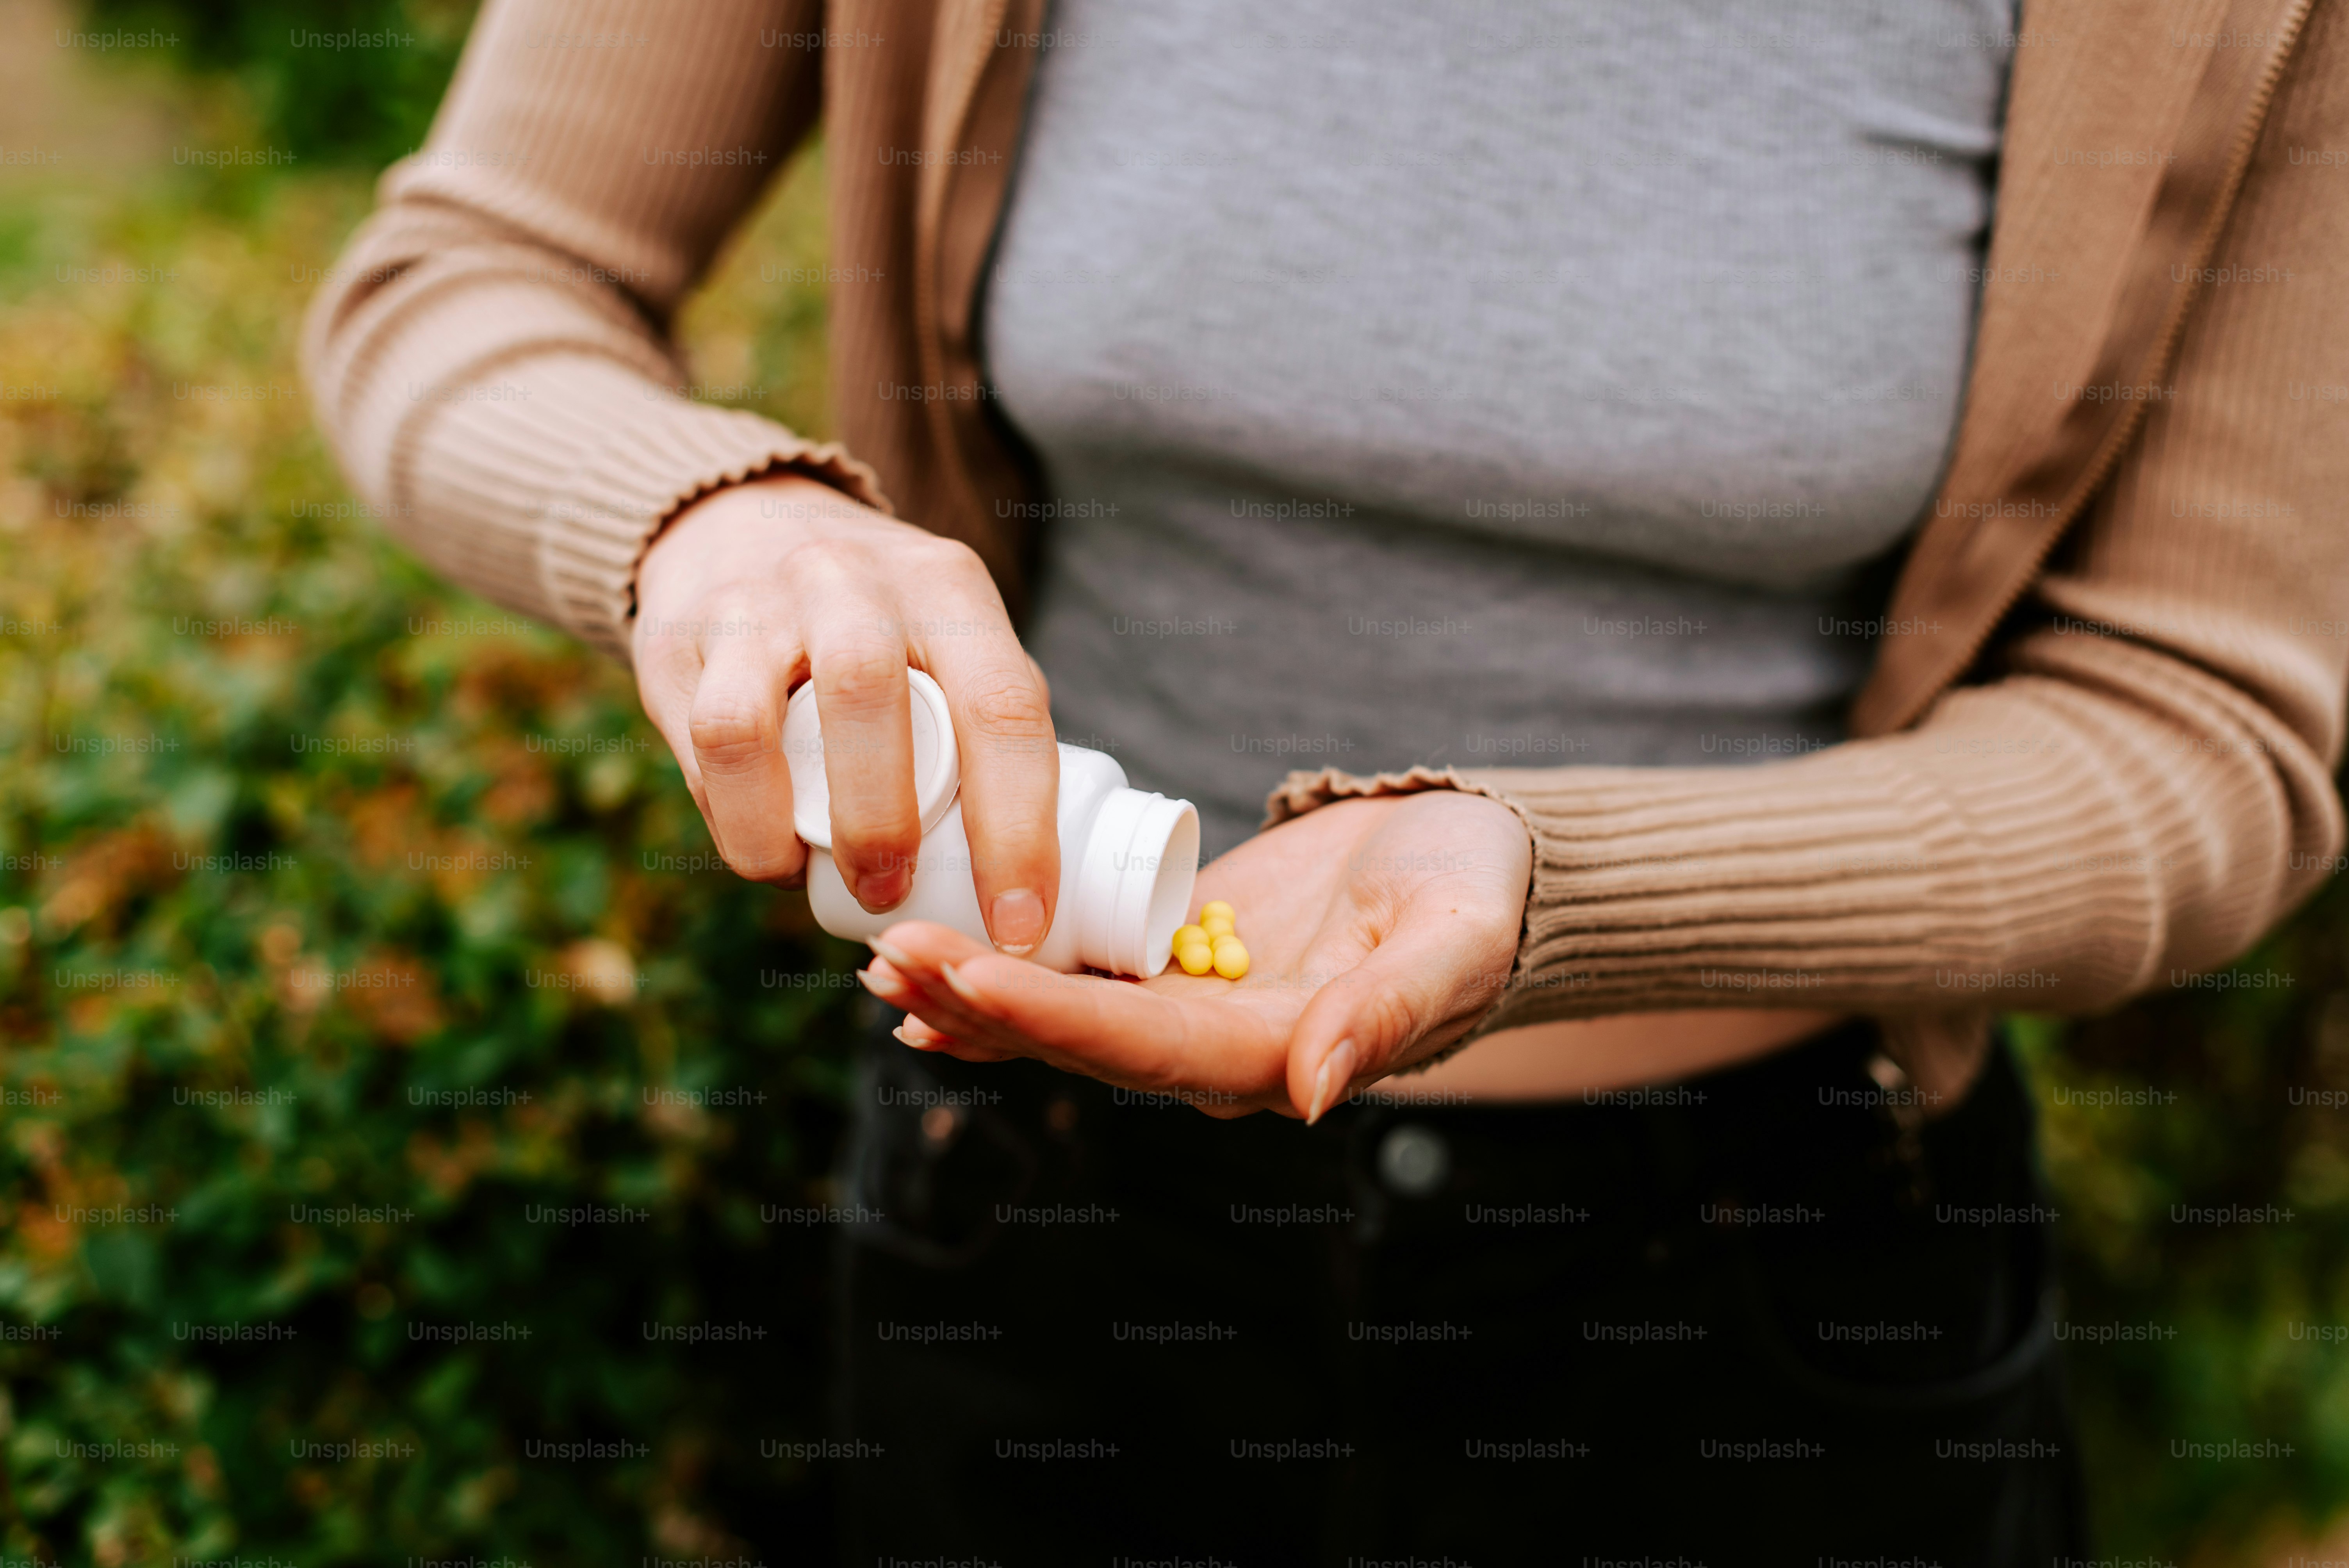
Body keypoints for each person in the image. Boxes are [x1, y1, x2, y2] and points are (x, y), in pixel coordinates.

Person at [301, 0, 2349, 1560]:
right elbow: (467, 281)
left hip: (1779, 1292)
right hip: (1034, 1232)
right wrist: (707, 519)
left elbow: (2202, 732)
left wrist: (1554, 883)